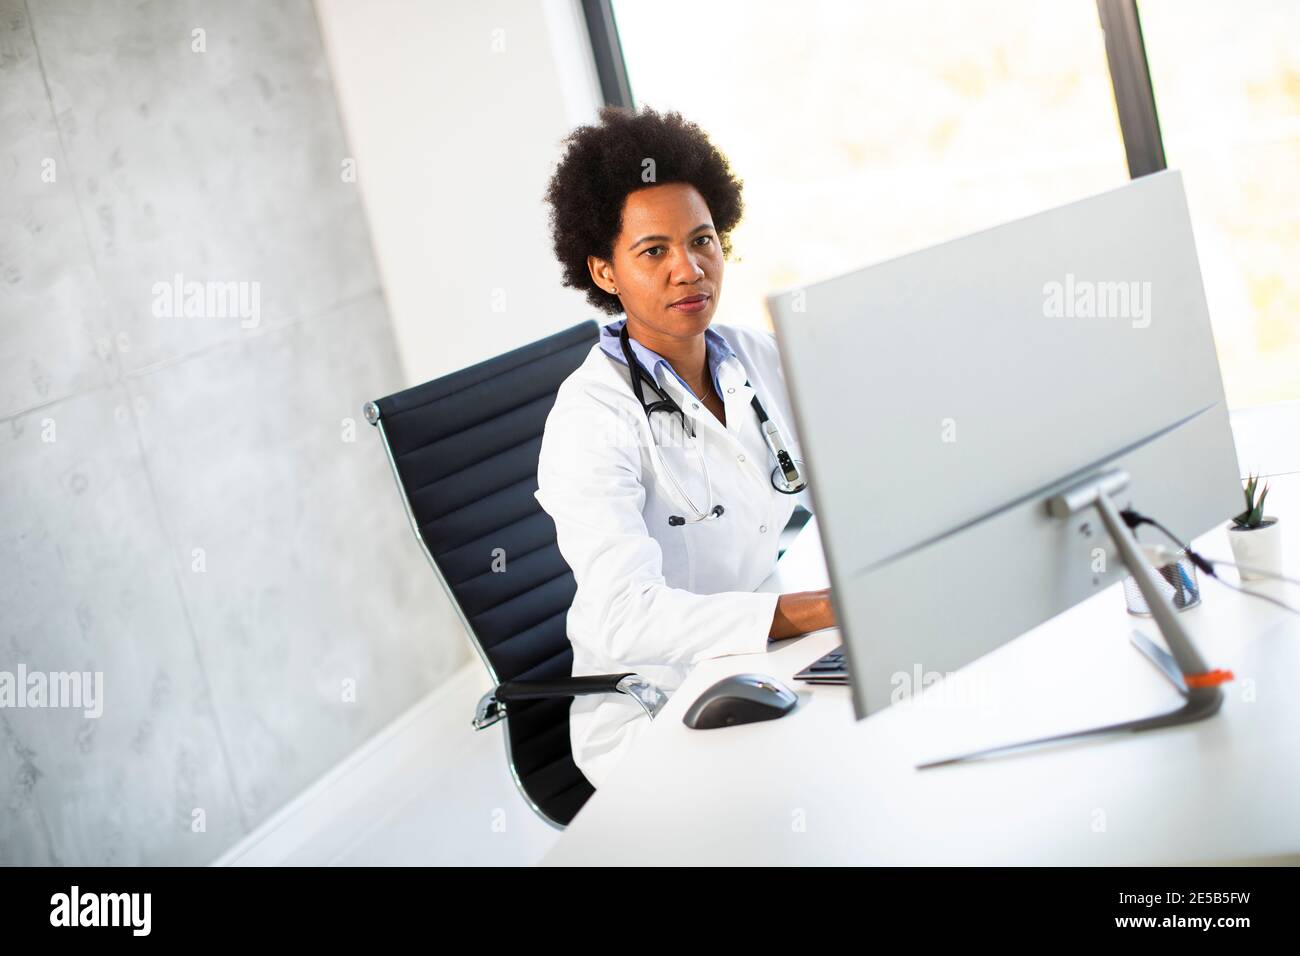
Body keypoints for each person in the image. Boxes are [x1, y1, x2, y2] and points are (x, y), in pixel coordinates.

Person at [535, 106, 836, 789]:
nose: (689, 269)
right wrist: (815, 609)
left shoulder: (756, 359)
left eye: (702, 240)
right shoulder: (591, 419)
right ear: (604, 271)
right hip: (654, 702)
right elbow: (627, 616)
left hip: (761, 659)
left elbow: (856, 476)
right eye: (654, 251)